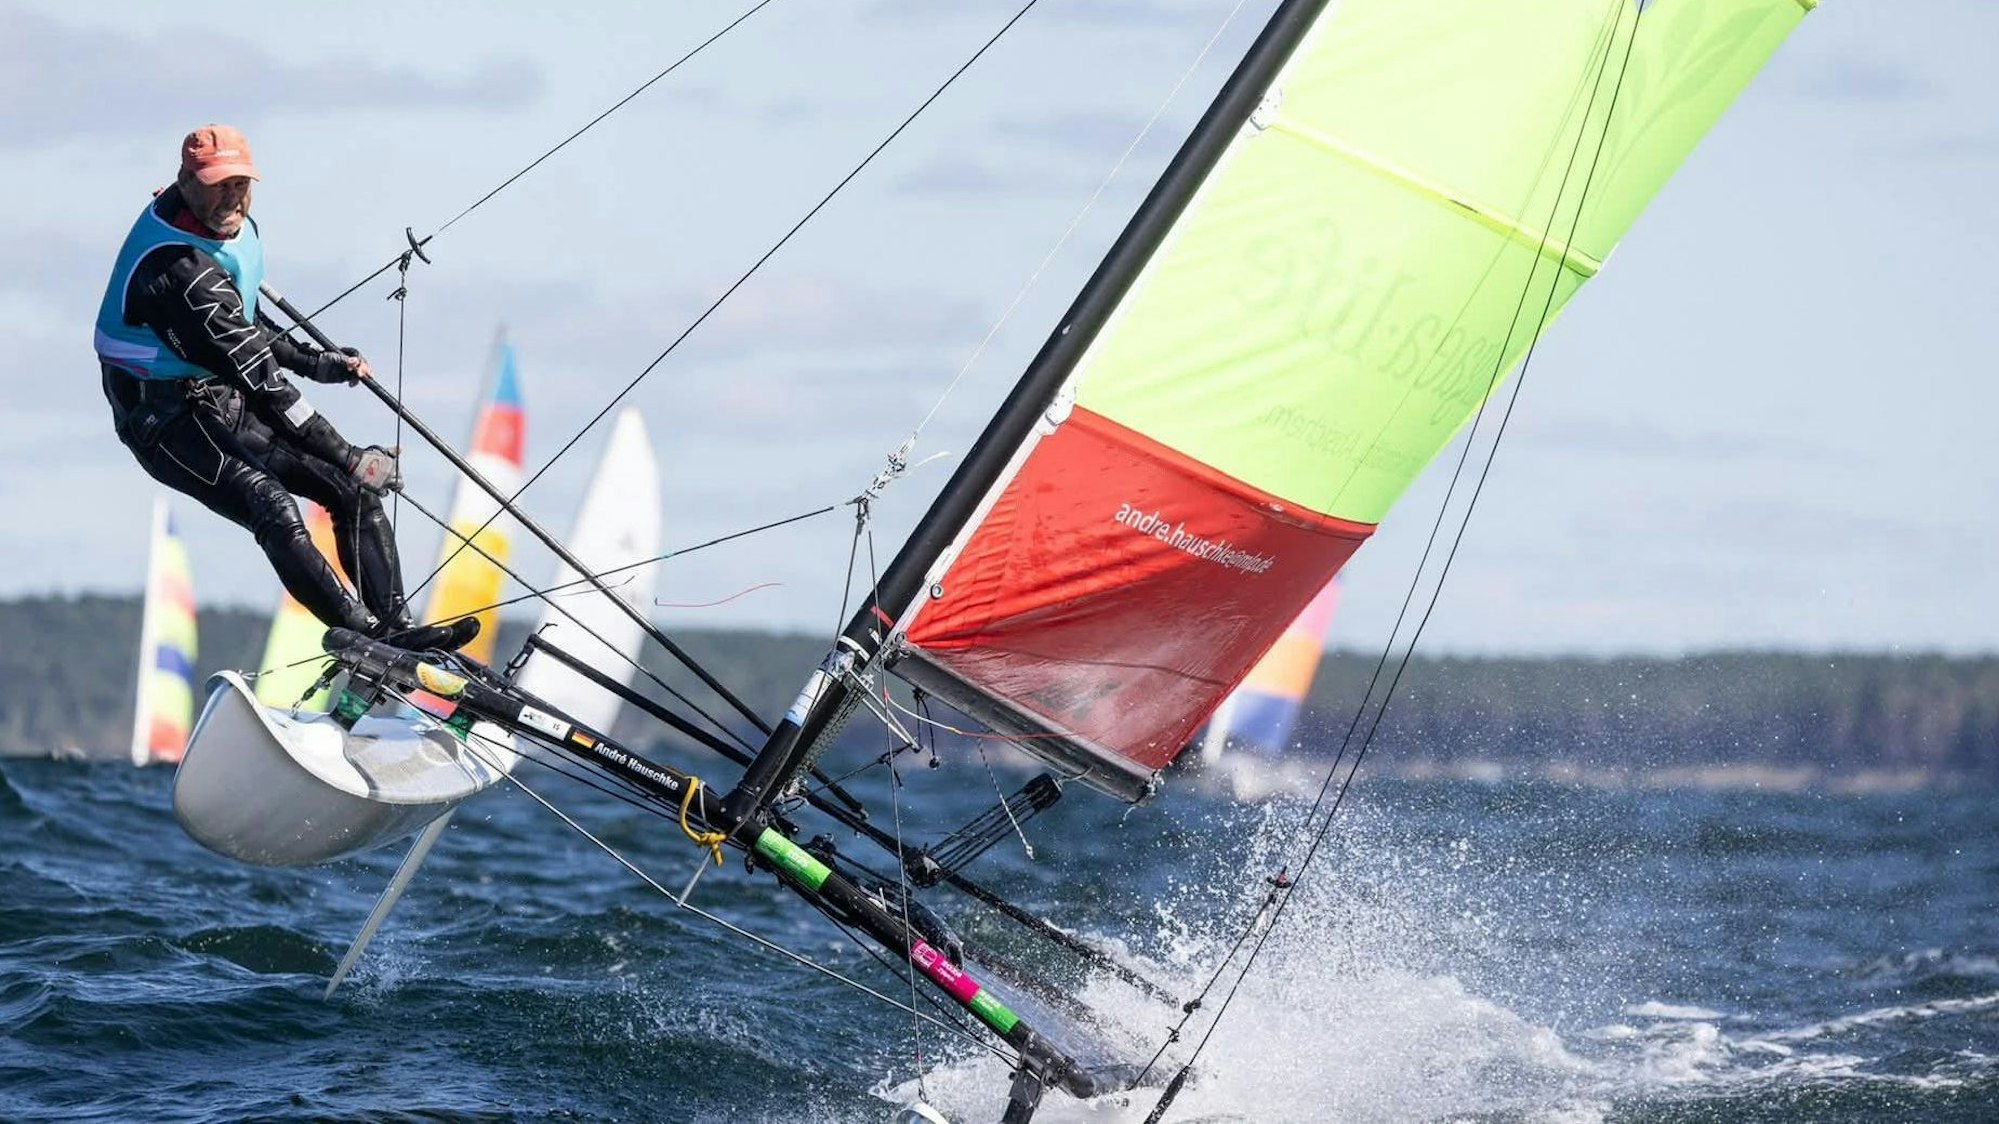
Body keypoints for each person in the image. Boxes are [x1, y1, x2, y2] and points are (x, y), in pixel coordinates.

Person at [96, 124, 476, 653]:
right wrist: (349, 454)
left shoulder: (231, 224)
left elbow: (246, 323)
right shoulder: (179, 274)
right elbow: (262, 382)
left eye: (240, 183)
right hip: (162, 420)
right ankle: (364, 637)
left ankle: (397, 629)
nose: (231, 196)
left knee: (352, 490)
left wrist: (317, 363)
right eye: (216, 183)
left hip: (217, 393)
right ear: (184, 181)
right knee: (269, 501)